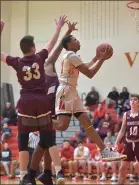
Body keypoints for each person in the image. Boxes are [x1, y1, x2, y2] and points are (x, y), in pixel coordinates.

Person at [1, 16, 67, 185]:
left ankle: (23, 176)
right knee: (49, 139)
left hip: (26, 102)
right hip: (43, 102)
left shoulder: (17, 61)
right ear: (33, 47)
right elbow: (52, 44)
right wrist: (59, 27)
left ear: (22, 49)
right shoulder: (39, 57)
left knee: (23, 140)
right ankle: (58, 173)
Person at [52, 34, 127, 161]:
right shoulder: (71, 55)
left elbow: (85, 66)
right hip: (65, 91)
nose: (78, 41)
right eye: (75, 40)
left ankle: (105, 151)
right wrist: (102, 59)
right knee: (62, 125)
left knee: (87, 123)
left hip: (72, 91)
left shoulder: (73, 57)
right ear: (69, 45)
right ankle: (37, 122)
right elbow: (90, 73)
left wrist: (97, 57)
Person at [36, 21, 78, 185]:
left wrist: (66, 31)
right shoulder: (35, 77)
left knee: (48, 141)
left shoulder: (48, 67)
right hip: (43, 110)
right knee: (47, 142)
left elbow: (58, 48)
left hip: (55, 107)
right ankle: (48, 174)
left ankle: (57, 172)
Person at [115, 94, 139, 184]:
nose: (132, 101)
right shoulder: (126, 114)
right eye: (131, 99)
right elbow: (122, 130)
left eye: (135, 99)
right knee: (122, 167)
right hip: (128, 143)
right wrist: (116, 142)